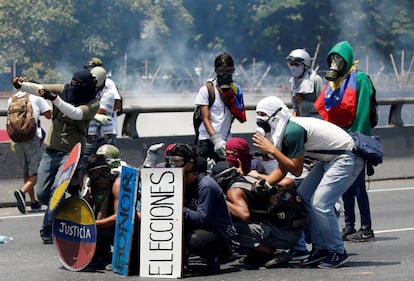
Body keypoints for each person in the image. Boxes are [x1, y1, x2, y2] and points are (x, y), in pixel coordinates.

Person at [252, 96, 364, 268]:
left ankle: (337, 251)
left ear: (275, 115)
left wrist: (272, 150)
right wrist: (267, 183)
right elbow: (283, 168)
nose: (260, 119)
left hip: (346, 157)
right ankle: (320, 248)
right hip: (330, 158)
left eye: (263, 114)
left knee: (321, 203)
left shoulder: (293, 131)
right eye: (257, 114)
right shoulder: (284, 130)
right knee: (304, 195)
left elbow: (296, 170)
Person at [12, 70, 99, 244]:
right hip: (51, 151)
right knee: (43, 194)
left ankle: (47, 229)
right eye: (72, 83)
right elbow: (39, 88)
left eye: (77, 84)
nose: (73, 87)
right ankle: (69, 201)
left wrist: (55, 99)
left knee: (57, 190)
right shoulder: (63, 89)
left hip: (72, 154)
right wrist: (21, 85)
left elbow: (76, 113)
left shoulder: (93, 103)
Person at [314, 41, 375, 242]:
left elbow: (363, 112)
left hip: (355, 139)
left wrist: (357, 139)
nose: (335, 62)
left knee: (358, 187)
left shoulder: (360, 78)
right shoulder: (335, 82)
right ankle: (349, 226)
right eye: (332, 58)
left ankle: (366, 227)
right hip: (337, 141)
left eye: (338, 58)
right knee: (344, 187)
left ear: (346, 59)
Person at [211, 161, 303, 269]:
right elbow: (288, 182)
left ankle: (274, 253)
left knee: (230, 228)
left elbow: (244, 215)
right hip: (292, 231)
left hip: (282, 236)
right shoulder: (252, 179)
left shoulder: (234, 191)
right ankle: (260, 254)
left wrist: (221, 200)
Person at [165, 143, 235, 275]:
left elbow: (201, 218)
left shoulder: (206, 185)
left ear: (190, 164)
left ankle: (215, 258)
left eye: (177, 161)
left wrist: (178, 207)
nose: (173, 165)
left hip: (219, 233)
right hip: (202, 228)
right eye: (171, 161)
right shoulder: (180, 180)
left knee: (192, 239)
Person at [194, 52, 246, 162]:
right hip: (207, 140)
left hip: (226, 140)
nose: (225, 74)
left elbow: (241, 117)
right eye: (222, 71)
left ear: (233, 71)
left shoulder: (236, 90)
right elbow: (205, 118)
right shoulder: (207, 90)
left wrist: (229, 96)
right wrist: (216, 140)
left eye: (229, 71)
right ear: (216, 70)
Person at [9, 88, 52, 214]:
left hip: (16, 139)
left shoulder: (12, 98)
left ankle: (33, 202)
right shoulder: (36, 96)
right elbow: (49, 115)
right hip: (32, 138)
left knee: (26, 171)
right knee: (38, 172)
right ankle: (22, 192)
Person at [84, 153, 120, 269]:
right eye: (96, 176)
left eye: (104, 174)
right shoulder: (89, 189)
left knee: (101, 233)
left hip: (120, 226)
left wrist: (93, 225)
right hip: (100, 225)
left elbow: (118, 217)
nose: (101, 180)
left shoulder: (117, 185)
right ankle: (101, 255)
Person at [78, 66, 115, 175]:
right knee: (82, 167)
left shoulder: (108, 94)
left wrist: (87, 112)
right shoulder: (88, 92)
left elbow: (100, 111)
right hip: (88, 137)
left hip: (104, 138)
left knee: (106, 167)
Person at [84, 57, 122, 144]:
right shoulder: (89, 83)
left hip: (107, 131)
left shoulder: (108, 82)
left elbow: (117, 104)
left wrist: (105, 111)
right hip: (92, 131)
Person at [286, 48, 324, 117]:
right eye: (291, 64)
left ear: (305, 66)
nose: (293, 67)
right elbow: (295, 107)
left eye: (296, 64)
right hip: (302, 120)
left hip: (317, 120)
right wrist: (295, 112)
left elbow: (322, 106)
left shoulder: (315, 80)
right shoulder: (293, 82)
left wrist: (302, 103)